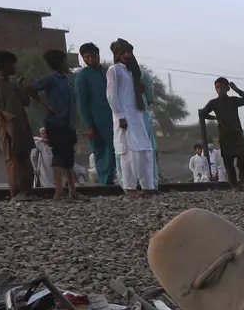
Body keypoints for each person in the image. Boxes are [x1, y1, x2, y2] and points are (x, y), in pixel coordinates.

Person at [105, 39, 156, 196]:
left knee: (145, 150)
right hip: (124, 117)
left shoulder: (131, 72)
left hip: (138, 115)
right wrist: (120, 116)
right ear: (117, 54)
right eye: (124, 52)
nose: (127, 55)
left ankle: (148, 187)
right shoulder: (114, 70)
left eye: (129, 52)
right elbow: (111, 95)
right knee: (129, 154)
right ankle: (130, 188)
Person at [28, 49, 80, 200]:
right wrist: (45, 105)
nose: (67, 64)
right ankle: (58, 192)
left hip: (68, 124)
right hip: (56, 123)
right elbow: (31, 88)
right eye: (65, 61)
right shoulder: (51, 79)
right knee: (58, 156)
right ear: (60, 63)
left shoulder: (66, 80)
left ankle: (72, 191)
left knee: (69, 157)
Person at [0, 50, 37, 201]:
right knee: (13, 161)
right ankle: (15, 194)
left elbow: (26, 102)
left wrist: (21, 85)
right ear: (6, 65)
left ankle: (27, 191)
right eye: (13, 64)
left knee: (25, 160)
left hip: (21, 127)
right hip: (8, 130)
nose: (15, 67)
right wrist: (3, 114)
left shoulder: (12, 85)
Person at [74, 43, 116, 185]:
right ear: (83, 59)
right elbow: (82, 102)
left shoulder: (107, 72)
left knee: (114, 151)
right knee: (101, 152)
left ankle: (115, 181)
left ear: (98, 55)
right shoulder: (82, 77)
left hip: (113, 119)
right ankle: (105, 183)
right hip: (96, 121)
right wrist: (89, 125)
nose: (91, 59)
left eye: (93, 56)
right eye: (87, 57)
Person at [199, 77, 244, 188]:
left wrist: (236, 89)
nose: (219, 90)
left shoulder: (233, 100)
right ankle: (234, 185)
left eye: (222, 87)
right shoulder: (213, 103)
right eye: (217, 87)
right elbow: (203, 113)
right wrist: (214, 117)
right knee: (228, 162)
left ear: (227, 88)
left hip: (237, 134)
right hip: (224, 135)